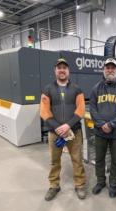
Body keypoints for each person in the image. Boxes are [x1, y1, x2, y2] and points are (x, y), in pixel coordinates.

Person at [40, 58, 86, 201]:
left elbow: (81, 110)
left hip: (74, 132)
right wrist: (57, 127)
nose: (62, 70)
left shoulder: (77, 89)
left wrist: (68, 125)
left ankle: (79, 185)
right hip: (55, 133)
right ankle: (54, 185)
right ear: (55, 71)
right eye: (59, 68)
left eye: (64, 68)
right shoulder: (47, 89)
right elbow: (44, 112)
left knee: (77, 159)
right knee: (55, 161)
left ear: (68, 71)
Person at [90, 58, 116, 198]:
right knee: (99, 159)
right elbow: (93, 109)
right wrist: (102, 124)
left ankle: (113, 184)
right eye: (107, 68)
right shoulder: (96, 88)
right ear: (104, 70)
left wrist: (111, 124)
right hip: (100, 132)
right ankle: (101, 181)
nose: (110, 70)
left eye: (113, 68)